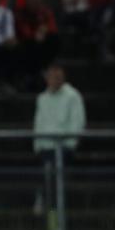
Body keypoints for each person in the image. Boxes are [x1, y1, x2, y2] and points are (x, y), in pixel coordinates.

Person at [33, 64, 85, 218]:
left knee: (53, 186)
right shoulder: (42, 98)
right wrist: (37, 145)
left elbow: (77, 123)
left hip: (63, 148)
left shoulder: (72, 96)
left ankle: (53, 220)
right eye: (51, 77)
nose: (54, 80)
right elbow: (38, 122)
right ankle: (48, 212)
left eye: (58, 77)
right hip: (45, 148)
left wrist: (69, 145)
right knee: (48, 180)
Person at [15, 0, 60, 90]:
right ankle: (31, 75)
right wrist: (37, 32)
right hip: (26, 45)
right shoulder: (21, 12)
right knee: (30, 44)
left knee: (53, 39)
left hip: (41, 45)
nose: (33, 0)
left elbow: (52, 28)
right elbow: (24, 31)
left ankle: (42, 72)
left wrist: (45, 30)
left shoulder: (45, 12)